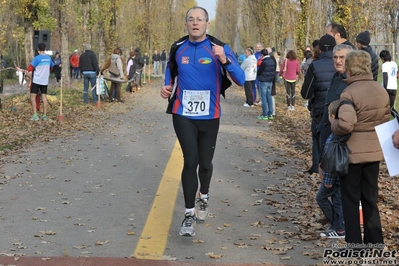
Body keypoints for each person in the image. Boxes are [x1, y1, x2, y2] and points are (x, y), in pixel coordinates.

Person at [160, 6, 245, 237]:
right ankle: (188, 214)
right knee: (191, 161)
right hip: (183, 113)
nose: (195, 23)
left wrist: (224, 60)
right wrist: (166, 87)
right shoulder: (178, 47)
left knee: (205, 163)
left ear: (207, 24)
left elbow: (241, 79)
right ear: (186, 24)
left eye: (199, 19)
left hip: (210, 115)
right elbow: (171, 70)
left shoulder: (219, 47)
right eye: (191, 19)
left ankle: (203, 196)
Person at [332, 50, 390, 248]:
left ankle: (354, 245)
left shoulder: (349, 92)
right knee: (370, 198)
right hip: (374, 152)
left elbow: (346, 124)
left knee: (350, 199)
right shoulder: (380, 90)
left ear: (350, 67)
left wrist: (334, 123)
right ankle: (375, 242)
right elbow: (385, 119)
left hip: (353, 154)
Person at [301, 34, 336, 175]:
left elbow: (306, 93)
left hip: (319, 108)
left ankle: (317, 166)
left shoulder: (315, 66)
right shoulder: (341, 64)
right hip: (337, 109)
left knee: (317, 138)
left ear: (319, 49)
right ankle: (332, 169)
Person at [318, 44, 353, 158]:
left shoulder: (350, 81)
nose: (338, 61)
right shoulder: (335, 77)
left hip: (340, 141)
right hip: (327, 135)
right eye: (335, 57)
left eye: (342, 57)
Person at [317, 99, 345, 239]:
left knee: (321, 197)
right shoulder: (343, 134)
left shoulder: (333, 137)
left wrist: (327, 180)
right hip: (342, 176)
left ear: (332, 116)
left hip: (333, 178)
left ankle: (338, 227)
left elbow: (331, 161)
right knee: (338, 201)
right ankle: (339, 225)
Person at [27, 43, 54, 121]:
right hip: (45, 81)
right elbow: (52, 67)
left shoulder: (37, 58)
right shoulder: (49, 58)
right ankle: (44, 115)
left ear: (38, 49)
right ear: (45, 48)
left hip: (36, 80)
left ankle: (35, 115)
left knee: (33, 97)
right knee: (44, 97)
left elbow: (29, 68)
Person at [256, 48, 276, 120]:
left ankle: (264, 114)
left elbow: (259, 71)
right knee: (269, 97)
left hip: (263, 81)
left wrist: (257, 72)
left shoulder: (264, 62)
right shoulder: (272, 61)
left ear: (262, 55)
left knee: (263, 98)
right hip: (270, 81)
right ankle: (270, 113)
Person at [379, 50, 398, 118]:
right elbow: (397, 75)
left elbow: (385, 77)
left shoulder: (385, 65)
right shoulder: (394, 63)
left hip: (387, 88)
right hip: (394, 87)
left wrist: (385, 89)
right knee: (391, 108)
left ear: (382, 58)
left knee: (383, 107)